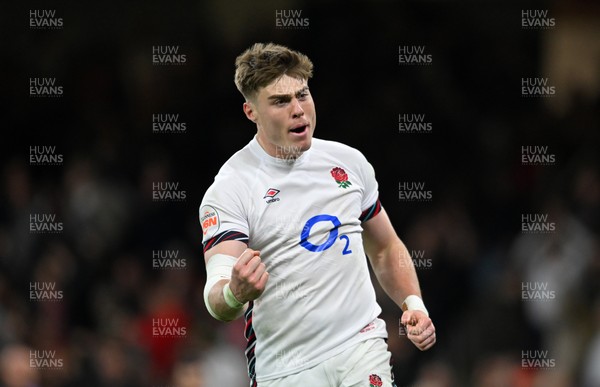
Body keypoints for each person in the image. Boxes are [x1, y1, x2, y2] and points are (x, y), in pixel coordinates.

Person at [199, 42, 436, 387]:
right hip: (285, 368)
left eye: (302, 95)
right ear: (251, 112)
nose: (298, 110)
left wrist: (413, 304)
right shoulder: (231, 188)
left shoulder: (348, 163)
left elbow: (385, 248)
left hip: (360, 346)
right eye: (280, 101)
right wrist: (235, 292)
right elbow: (216, 298)